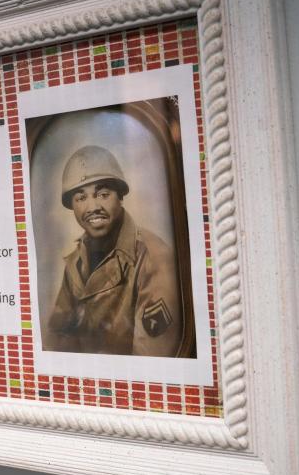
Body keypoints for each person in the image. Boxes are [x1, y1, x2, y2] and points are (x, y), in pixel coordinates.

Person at [44, 145, 192, 357]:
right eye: (80, 198)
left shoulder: (152, 257)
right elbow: (56, 342)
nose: (92, 206)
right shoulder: (76, 261)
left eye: (103, 194)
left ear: (120, 196)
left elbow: (151, 362)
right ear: (72, 205)